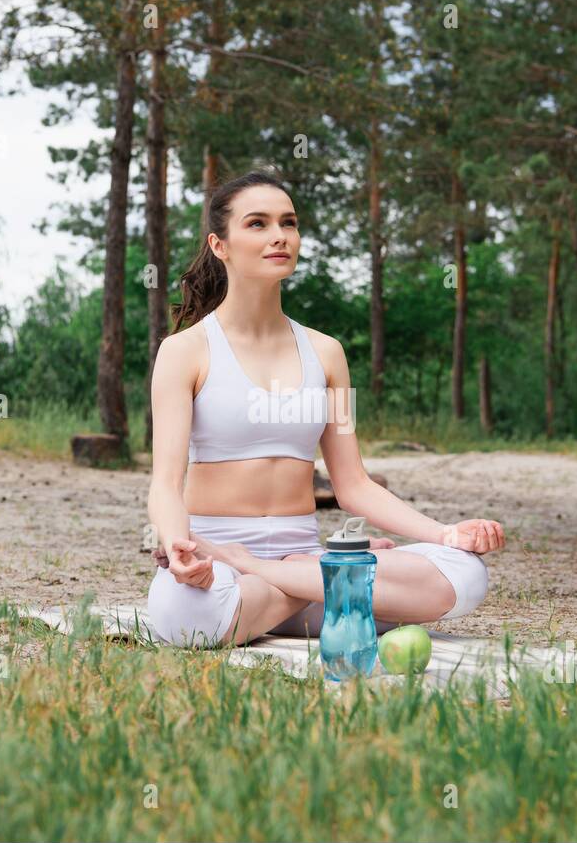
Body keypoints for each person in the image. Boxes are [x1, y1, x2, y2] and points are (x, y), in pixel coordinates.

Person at [146, 170, 504, 648]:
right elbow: (166, 484)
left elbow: (353, 485)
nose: (280, 236)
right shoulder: (185, 351)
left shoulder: (327, 352)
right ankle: (328, 582)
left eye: (288, 223)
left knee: (465, 573)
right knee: (187, 619)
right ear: (220, 245)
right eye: (258, 224)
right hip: (220, 564)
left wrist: (447, 534)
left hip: (293, 561)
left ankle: (289, 576)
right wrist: (178, 547)